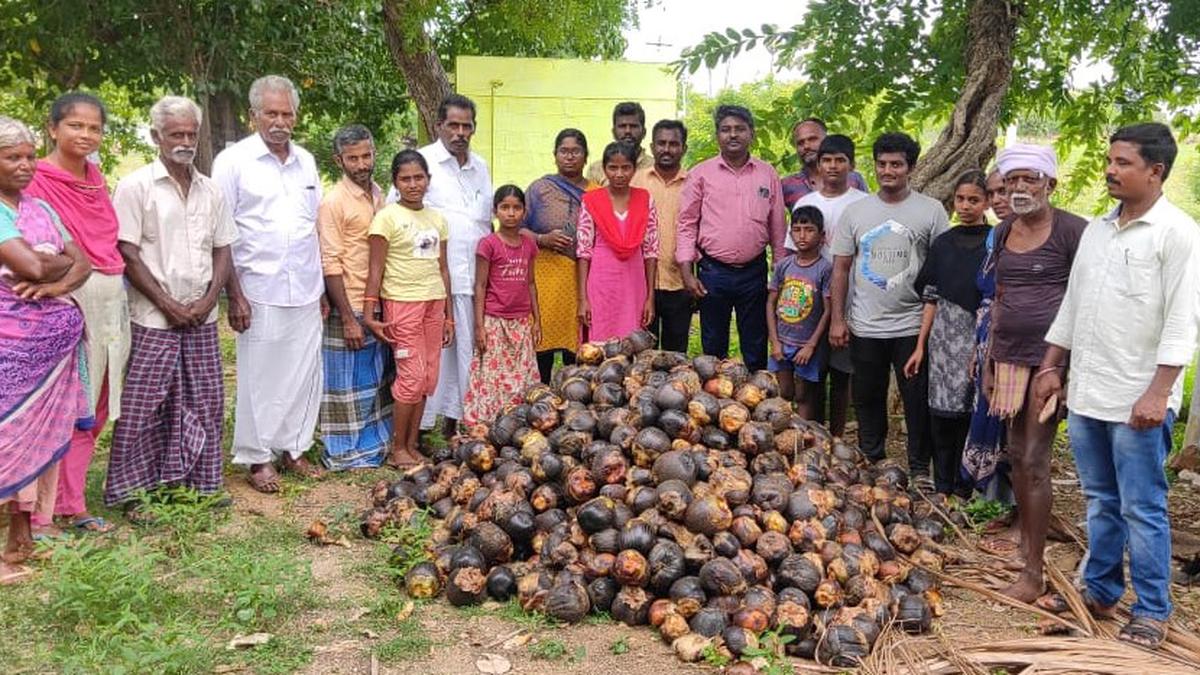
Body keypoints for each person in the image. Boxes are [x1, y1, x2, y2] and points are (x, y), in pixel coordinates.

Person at [1034, 123, 1200, 647]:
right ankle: (1101, 588)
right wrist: (1051, 365)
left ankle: (1152, 609)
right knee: (1100, 499)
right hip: (1088, 392)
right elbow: (1074, 304)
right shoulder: (1098, 230)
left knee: (1141, 506)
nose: (1109, 169)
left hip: (1138, 398)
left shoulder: (1178, 233)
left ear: (1156, 171)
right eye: (1110, 160)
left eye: (1122, 162)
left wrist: (1159, 392)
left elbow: (1182, 321)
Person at [105, 96, 236, 512]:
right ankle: (134, 494)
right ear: (155, 136)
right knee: (146, 405)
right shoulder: (136, 186)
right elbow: (126, 252)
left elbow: (223, 250)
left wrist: (209, 299)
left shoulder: (210, 189)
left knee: (206, 400)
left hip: (201, 315)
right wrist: (167, 304)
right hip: (152, 317)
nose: (184, 141)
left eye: (190, 133)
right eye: (175, 134)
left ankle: (201, 485)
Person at [979, 144, 1087, 602]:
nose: (1020, 188)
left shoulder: (1073, 231)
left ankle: (1034, 572)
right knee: (1015, 451)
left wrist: (1059, 367)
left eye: (1030, 179)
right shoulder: (1004, 231)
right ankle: (1028, 543)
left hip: (1050, 363)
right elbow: (1000, 296)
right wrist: (987, 360)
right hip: (1006, 356)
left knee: (1035, 460)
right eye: (1012, 181)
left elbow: (1085, 300)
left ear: (1050, 184)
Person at [212, 75, 325, 493]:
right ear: (253, 115)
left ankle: (294, 448)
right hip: (257, 289)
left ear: (295, 116)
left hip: (306, 286)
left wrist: (323, 292)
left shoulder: (307, 162)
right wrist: (234, 294)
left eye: (287, 113)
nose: (280, 121)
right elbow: (221, 231)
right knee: (261, 376)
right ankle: (258, 458)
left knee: (301, 371)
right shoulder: (234, 161)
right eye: (271, 113)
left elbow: (313, 224)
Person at [25, 92, 128, 534]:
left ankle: (73, 502)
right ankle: (38, 513)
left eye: (94, 128)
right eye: (75, 126)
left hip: (109, 299)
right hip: (63, 302)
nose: (86, 134)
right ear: (52, 128)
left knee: (97, 403)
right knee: (59, 404)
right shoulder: (34, 180)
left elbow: (107, 242)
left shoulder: (97, 178)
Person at [0, 116, 92, 584]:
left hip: (50, 356)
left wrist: (55, 276)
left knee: (39, 442)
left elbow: (85, 263)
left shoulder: (39, 208)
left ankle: (21, 540)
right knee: (5, 439)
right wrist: (54, 266)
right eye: (11, 156)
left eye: (29, 156)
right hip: (8, 350)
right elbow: (33, 264)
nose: (24, 165)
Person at [829, 132, 949, 485]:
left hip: (913, 325)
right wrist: (838, 318)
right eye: (881, 164)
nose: (887, 171)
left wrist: (934, 322)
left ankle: (918, 468)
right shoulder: (856, 212)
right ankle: (873, 460)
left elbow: (942, 266)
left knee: (917, 401)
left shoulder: (931, 210)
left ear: (910, 168)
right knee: (867, 396)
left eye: (896, 164)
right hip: (866, 324)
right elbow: (840, 268)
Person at [676, 105, 786, 372]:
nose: (732, 135)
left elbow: (778, 226)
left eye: (740, 129)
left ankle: (757, 404)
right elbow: (686, 224)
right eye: (726, 130)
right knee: (713, 345)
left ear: (752, 134)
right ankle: (717, 405)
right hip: (713, 271)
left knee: (755, 343)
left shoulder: (767, 173)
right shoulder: (701, 173)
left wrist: (780, 271)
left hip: (754, 272)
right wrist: (687, 272)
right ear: (717, 136)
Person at [906, 170, 993, 497]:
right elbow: (930, 296)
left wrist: (982, 347)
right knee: (941, 413)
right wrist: (920, 345)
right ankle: (942, 483)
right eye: (960, 199)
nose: (966, 206)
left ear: (986, 202)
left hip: (978, 336)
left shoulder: (995, 241)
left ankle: (966, 485)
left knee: (971, 412)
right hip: (942, 338)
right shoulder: (943, 243)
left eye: (974, 199)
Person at [364, 150, 452, 468]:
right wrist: (370, 311)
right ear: (396, 183)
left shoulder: (437, 219)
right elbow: (375, 269)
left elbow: (443, 269)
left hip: (435, 304)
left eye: (419, 177)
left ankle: (413, 445)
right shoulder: (386, 218)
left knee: (429, 377)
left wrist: (450, 317)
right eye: (406, 178)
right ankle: (397, 448)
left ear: (428, 180)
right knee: (411, 377)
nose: (413, 184)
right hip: (402, 303)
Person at [415, 95, 493, 441]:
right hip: (434, 281)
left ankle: (458, 426)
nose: (460, 133)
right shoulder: (422, 163)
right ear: (439, 126)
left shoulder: (481, 166)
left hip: (474, 281)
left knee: (467, 357)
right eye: (454, 125)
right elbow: (404, 218)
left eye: (467, 126)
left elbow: (485, 222)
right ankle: (417, 433)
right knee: (433, 357)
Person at [316, 124, 394, 470]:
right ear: (339, 160)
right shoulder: (334, 202)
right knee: (346, 382)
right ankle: (343, 451)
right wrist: (347, 317)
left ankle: (374, 444)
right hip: (348, 301)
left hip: (378, 301)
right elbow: (330, 262)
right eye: (353, 158)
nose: (362, 164)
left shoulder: (380, 195)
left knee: (375, 379)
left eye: (366, 156)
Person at [792, 134, 869, 435]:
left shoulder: (864, 204)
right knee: (810, 375)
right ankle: (810, 436)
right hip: (809, 304)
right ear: (818, 164)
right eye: (827, 160)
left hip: (850, 299)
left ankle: (835, 438)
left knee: (841, 374)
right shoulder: (806, 202)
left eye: (840, 160)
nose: (833, 166)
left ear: (852, 164)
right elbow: (791, 252)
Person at [462, 186, 541, 427]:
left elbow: (530, 283)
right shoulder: (488, 244)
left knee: (520, 375)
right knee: (493, 377)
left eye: (516, 208)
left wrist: (537, 320)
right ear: (495, 211)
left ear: (524, 211)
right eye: (505, 207)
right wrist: (479, 326)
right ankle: (489, 424)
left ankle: (517, 424)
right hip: (494, 321)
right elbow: (481, 286)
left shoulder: (529, 245)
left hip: (520, 322)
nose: (511, 213)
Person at [963, 170, 1016, 524]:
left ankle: (1014, 505)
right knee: (986, 410)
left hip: (1016, 340)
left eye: (1003, 191)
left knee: (1011, 421)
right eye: (992, 192)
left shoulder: (1037, 237)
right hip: (987, 334)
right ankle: (990, 498)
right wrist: (977, 350)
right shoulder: (997, 236)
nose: (997, 199)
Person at [523, 129, 595, 383]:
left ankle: (574, 406)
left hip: (582, 279)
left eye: (576, 151)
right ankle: (539, 402)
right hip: (544, 279)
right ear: (555, 155)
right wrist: (542, 239)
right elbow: (516, 228)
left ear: (586, 157)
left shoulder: (597, 194)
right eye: (564, 151)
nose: (569, 157)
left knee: (575, 349)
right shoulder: (539, 189)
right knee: (541, 344)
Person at [577, 142, 659, 341]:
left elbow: (650, 251)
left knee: (633, 342)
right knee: (599, 344)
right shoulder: (591, 201)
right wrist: (583, 299)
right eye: (613, 167)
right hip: (601, 282)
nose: (619, 174)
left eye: (625, 167)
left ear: (634, 169)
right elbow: (583, 252)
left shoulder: (645, 199)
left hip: (634, 283)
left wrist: (650, 298)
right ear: (604, 169)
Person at [767, 206, 831, 420]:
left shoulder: (824, 269)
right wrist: (774, 342)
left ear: (822, 236)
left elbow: (828, 310)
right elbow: (771, 304)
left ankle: (803, 440)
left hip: (807, 344)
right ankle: (783, 436)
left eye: (809, 230)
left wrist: (811, 345)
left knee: (804, 395)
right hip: (783, 341)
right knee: (784, 391)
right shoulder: (783, 266)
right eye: (797, 229)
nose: (802, 235)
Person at [632, 119, 691, 353]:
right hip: (641, 283)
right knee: (643, 354)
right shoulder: (636, 180)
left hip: (679, 282)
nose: (667, 149)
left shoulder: (694, 183)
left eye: (674, 144)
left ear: (683, 148)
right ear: (652, 146)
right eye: (661, 143)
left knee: (676, 354)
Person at [781, 118, 869, 211]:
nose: (806, 146)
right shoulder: (787, 185)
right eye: (800, 143)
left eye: (812, 139)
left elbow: (867, 215)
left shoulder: (853, 179)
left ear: (826, 139)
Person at [585, 102, 654, 186]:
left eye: (633, 126)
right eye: (622, 126)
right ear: (613, 132)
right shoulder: (596, 169)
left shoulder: (654, 167)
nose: (627, 131)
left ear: (644, 132)